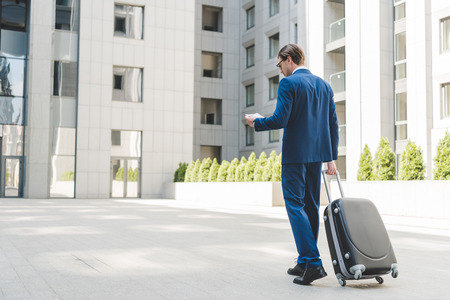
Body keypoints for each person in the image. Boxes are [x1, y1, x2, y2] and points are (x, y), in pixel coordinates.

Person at [245, 44, 339, 285]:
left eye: (279, 65)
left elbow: (280, 119)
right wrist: (331, 158)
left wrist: (257, 122)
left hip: (295, 155)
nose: (280, 71)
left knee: (294, 206)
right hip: (317, 157)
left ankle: (313, 262)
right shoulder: (324, 85)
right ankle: (305, 261)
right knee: (310, 207)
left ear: (288, 60)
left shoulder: (289, 84)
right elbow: (332, 124)